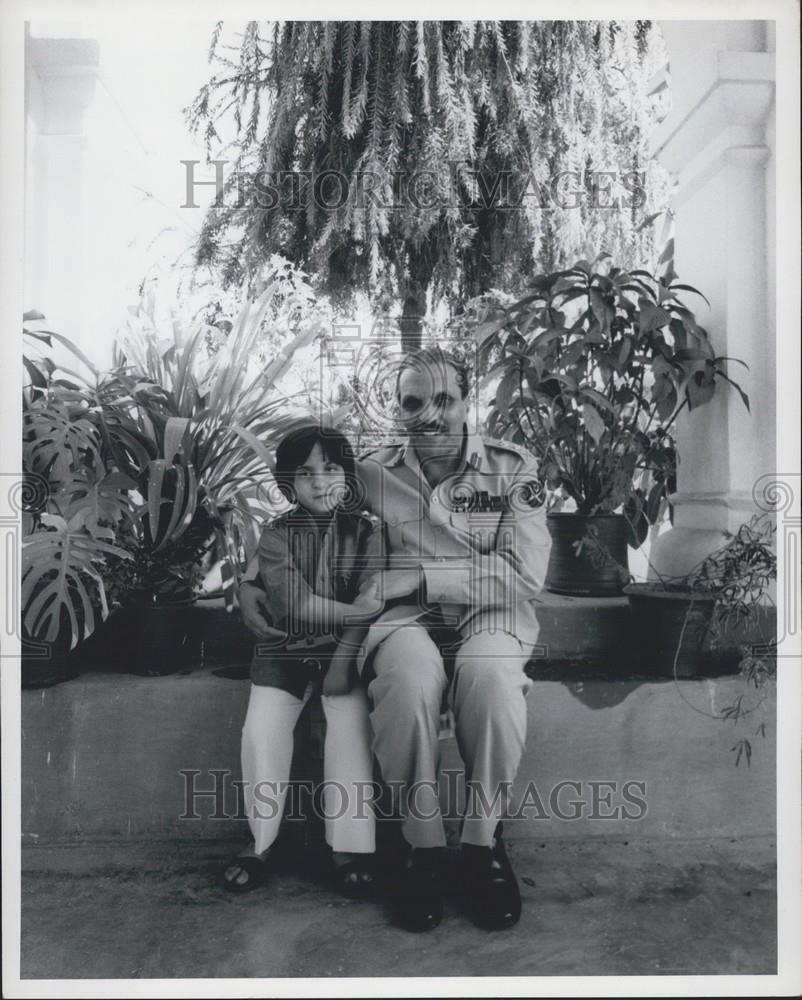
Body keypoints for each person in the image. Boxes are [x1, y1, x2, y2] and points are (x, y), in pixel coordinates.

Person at [240, 347, 551, 931]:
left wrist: (424, 574)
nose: (430, 415)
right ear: (398, 408)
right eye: (414, 402)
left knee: (490, 680)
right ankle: (422, 848)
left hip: (489, 615)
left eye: (445, 400)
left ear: (467, 401)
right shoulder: (371, 471)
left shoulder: (512, 470)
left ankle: (483, 847)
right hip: (404, 619)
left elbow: (528, 575)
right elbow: (311, 509)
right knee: (407, 681)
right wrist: (250, 581)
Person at [224, 424, 386, 898]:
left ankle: (348, 847)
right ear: (286, 484)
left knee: (352, 729)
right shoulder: (275, 537)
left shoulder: (367, 534)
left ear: (348, 476)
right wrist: (359, 609)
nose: (319, 482)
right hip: (282, 655)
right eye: (305, 473)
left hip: (344, 654)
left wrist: (344, 657)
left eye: (331, 469)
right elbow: (295, 604)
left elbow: (372, 600)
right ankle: (261, 843)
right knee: (260, 734)